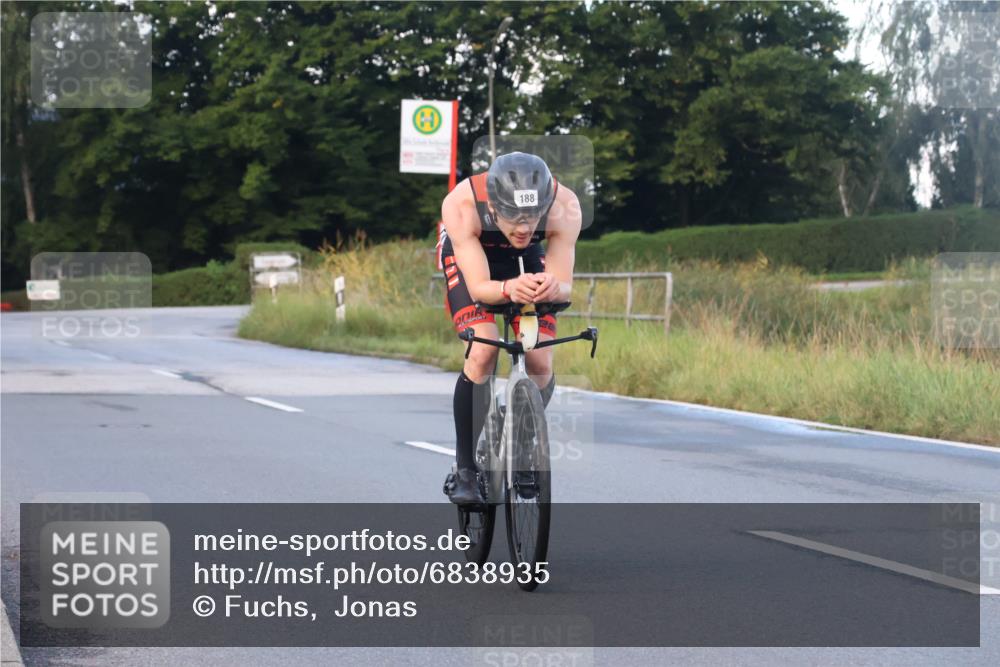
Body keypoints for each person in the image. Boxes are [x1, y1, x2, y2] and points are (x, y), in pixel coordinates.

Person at [439, 151, 582, 506]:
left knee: (540, 363)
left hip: (526, 260)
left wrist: (551, 287)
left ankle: (520, 442)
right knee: (484, 349)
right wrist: (506, 290)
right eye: (515, 218)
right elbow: (479, 289)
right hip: (473, 260)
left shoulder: (565, 205)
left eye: (533, 218)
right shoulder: (462, 205)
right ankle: (466, 468)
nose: (524, 228)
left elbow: (566, 285)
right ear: (494, 209)